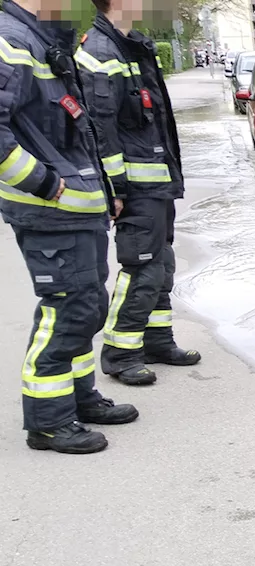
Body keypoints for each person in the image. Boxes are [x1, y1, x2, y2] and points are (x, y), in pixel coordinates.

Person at [0, 0, 139, 453]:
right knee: (68, 309)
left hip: (75, 211)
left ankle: (79, 398)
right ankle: (48, 421)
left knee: (86, 306)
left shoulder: (38, 36)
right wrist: (45, 183)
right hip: (50, 212)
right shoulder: (12, 38)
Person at [78, 0, 200, 389]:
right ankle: (120, 353)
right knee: (142, 268)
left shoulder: (134, 46)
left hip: (156, 183)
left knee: (161, 266)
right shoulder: (100, 52)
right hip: (135, 188)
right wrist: (115, 188)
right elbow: (100, 130)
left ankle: (157, 341)